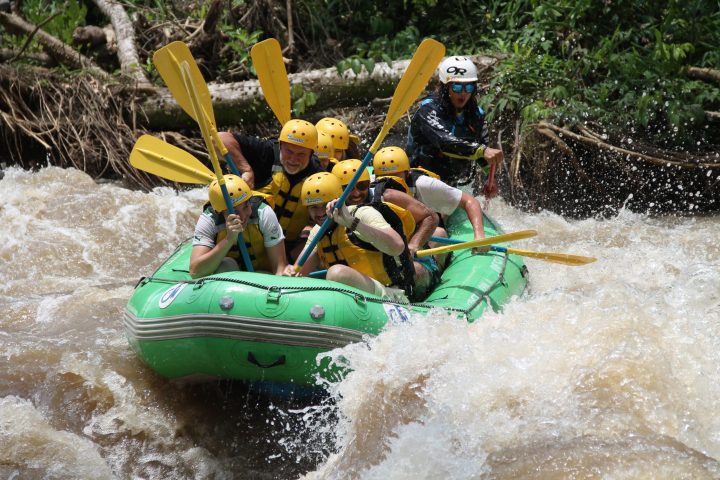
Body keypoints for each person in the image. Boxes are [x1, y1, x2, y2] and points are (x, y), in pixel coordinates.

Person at [287, 172, 413, 302]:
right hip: (351, 299)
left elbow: (397, 247)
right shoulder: (317, 231)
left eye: (325, 205)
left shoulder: (363, 213)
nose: (320, 213)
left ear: (338, 201)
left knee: (337, 273)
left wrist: (351, 223)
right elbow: (299, 273)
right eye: (314, 207)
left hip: (390, 295)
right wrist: (289, 272)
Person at [331, 159, 442, 299]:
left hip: (405, 254)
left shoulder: (389, 197)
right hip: (378, 266)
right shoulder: (334, 211)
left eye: (362, 185)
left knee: (418, 269)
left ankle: (436, 272)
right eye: (348, 188)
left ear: (368, 183)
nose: (356, 193)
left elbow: (431, 216)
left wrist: (414, 244)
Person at [218, 119, 323, 258]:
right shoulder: (266, 152)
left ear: (311, 153)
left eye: (301, 154)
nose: (293, 159)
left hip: (287, 250)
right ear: (281, 145)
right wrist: (246, 169)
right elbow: (218, 139)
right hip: (248, 245)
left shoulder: (318, 174)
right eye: (289, 151)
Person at [406, 56, 503, 194]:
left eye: (468, 87)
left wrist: (491, 180)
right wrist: (482, 150)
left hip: (451, 184)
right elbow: (444, 142)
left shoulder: (476, 115)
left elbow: (482, 153)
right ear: (445, 87)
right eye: (457, 87)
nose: (463, 92)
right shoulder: (428, 110)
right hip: (419, 179)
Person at [372, 146, 485, 242]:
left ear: (407, 173)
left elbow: (470, 201)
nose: (391, 181)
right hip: (399, 226)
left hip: (429, 222)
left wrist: (479, 236)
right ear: (376, 177)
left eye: (396, 176)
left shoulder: (424, 184)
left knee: (438, 233)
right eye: (384, 177)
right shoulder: (368, 186)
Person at [190, 175, 288, 278]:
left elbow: (279, 269)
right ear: (220, 212)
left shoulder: (264, 213)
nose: (242, 217)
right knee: (226, 265)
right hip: (228, 279)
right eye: (234, 211)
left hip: (262, 276)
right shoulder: (209, 220)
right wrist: (228, 240)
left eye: (245, 207)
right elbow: (195, 272)